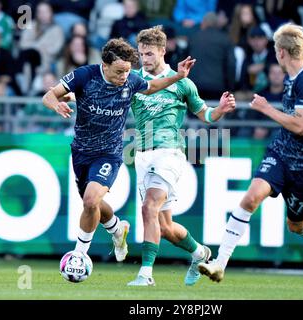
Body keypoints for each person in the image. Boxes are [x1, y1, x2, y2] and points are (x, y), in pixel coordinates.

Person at [199, 23, 303, 282]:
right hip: (282, 153)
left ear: (282, 52)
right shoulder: (292, 78)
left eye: (276, 50)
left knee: (296, 224)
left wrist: (266, 108)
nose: (275, 55)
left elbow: (301, 125)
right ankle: (219, 263)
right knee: (251, 198)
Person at [42, 37, 196, 263]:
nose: (124, 77)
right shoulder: (85, 75)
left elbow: (151, 87)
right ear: (105, 65)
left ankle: (79, 255)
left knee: (90, 201)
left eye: (127, 71)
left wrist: (179, 76)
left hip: (109, 154)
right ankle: (116, 229)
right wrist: (58, 105)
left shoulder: (130, 81)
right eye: (119, 71)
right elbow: (49, 95)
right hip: (82, 152)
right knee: (91, 202)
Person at [127, 25, 236, 286]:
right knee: (164, 227)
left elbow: (205, 115)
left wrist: (219, 110)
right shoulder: (133, 80)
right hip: (142, 155)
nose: (145, 59)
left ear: (163, 51)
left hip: (170, 153)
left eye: (150, 53)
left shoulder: (183, 83)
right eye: (142, 54)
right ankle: (200, 252)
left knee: (148, 207)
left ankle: (145, 274)